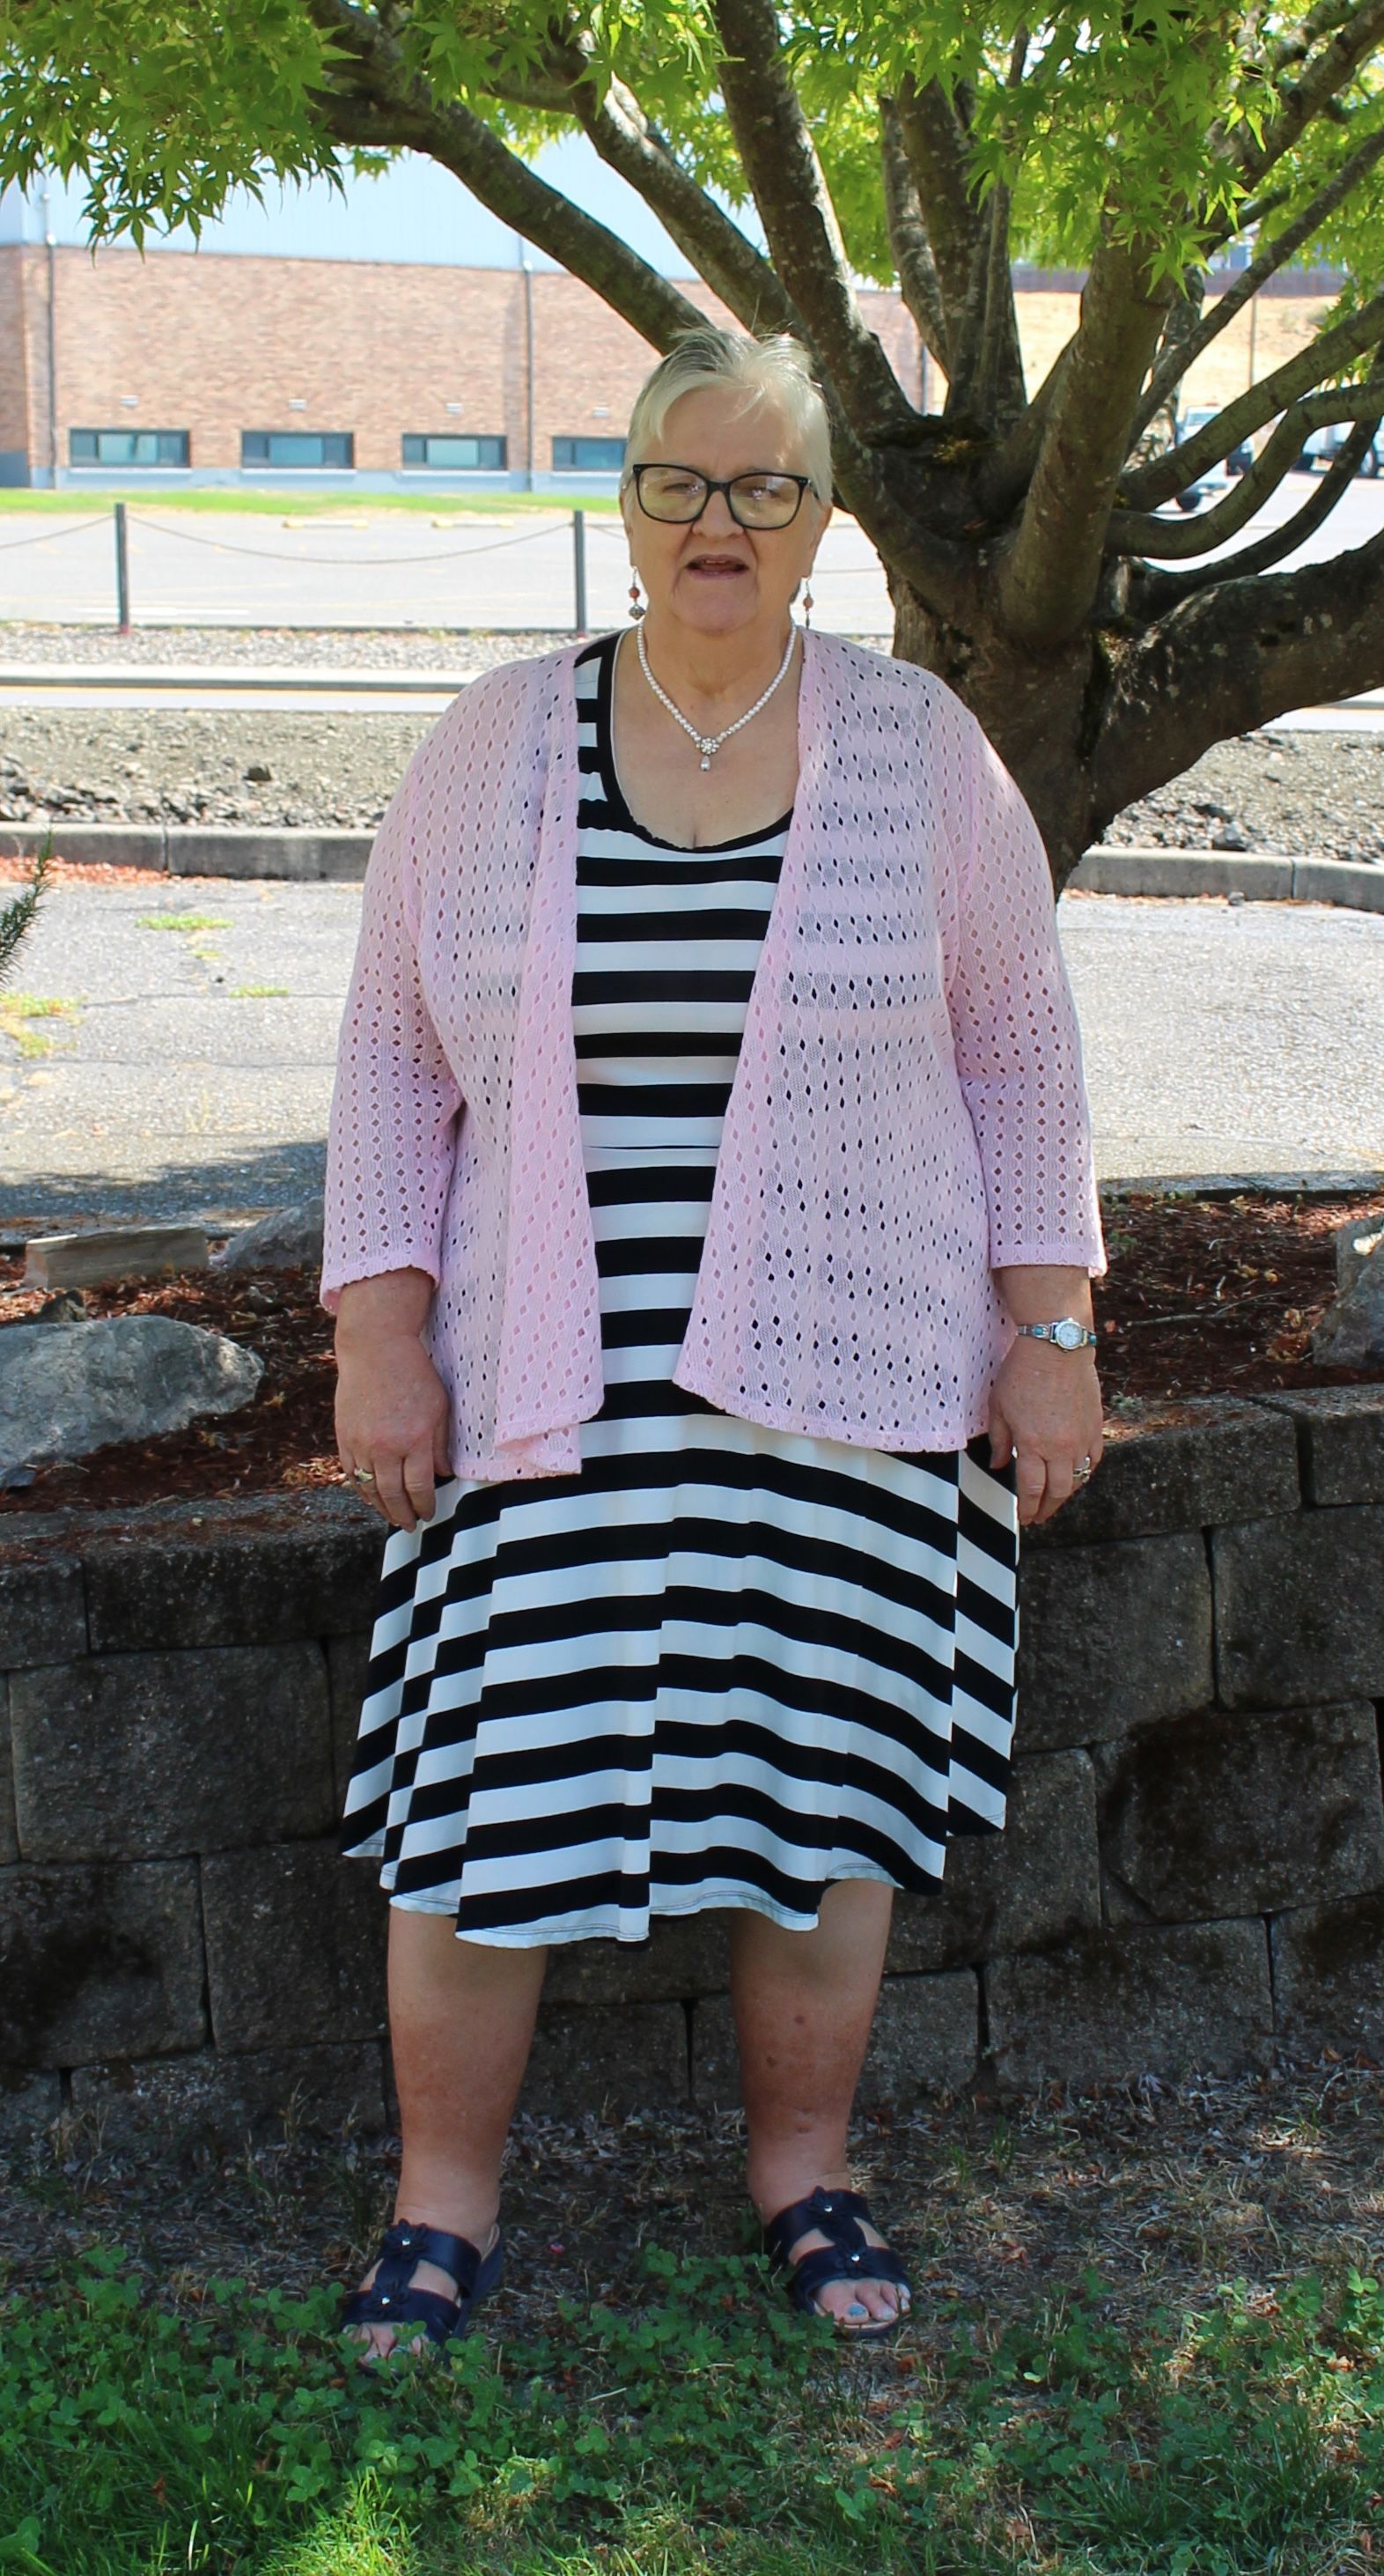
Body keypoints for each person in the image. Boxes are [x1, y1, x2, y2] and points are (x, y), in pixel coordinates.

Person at [320, 322, 1107, 2368]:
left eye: (766, 487)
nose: (719, 522)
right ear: (627, 500)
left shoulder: (920, 746)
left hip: (843, 1379)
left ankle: (806, 2167)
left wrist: (1052, 1325)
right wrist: (379, 1331)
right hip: (545, 1387)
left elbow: (1020, 1054)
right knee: (491, 1805)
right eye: (682, 481)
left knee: (819, 1801)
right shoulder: (494, 744)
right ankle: (443, 2198)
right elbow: (394, 1064)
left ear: (825, 523)